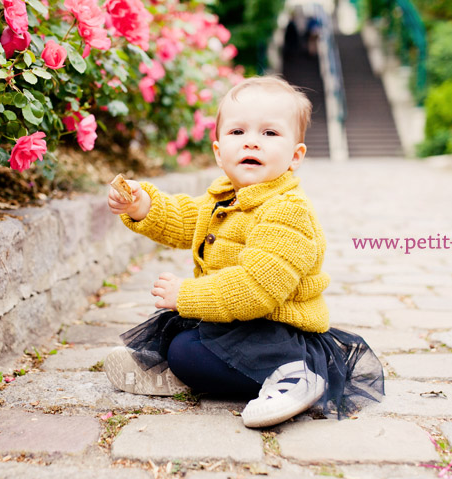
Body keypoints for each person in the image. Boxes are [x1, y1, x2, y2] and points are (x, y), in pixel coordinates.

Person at [104, 76, 384, 427]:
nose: (252, 142)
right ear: (219, 152)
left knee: (187, 349)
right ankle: (186, 372)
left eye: (269, 134)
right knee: (181, 335)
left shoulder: (287, 210)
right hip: (238, 322)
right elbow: (186, 219)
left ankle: (295, 377)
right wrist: (143, 205)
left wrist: (187, 294)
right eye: (238, 132)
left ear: (295, 156)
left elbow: (256, 288)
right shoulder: (224, 198)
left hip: (276, 337)